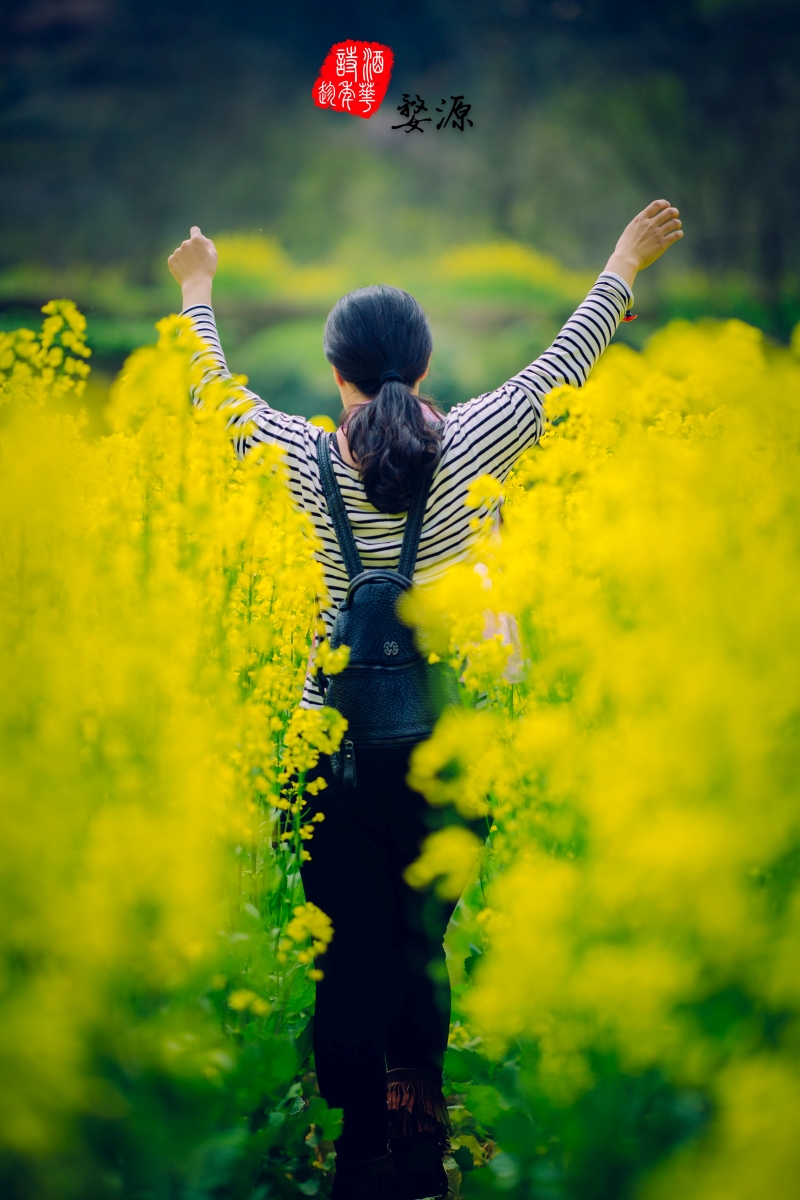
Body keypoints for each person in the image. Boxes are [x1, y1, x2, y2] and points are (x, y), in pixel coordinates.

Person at [168, 200, 684, 1199]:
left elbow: (211, 395)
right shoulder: (475, 439)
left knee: (346, 954)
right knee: (418, 944)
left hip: (330, 747)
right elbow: (564, 364)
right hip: (449, 746)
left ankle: (358, 1153)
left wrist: (197, 287)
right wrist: (624, 258)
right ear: (426, 361)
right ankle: (420, 1151)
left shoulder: (296, 453)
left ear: (336, 374)